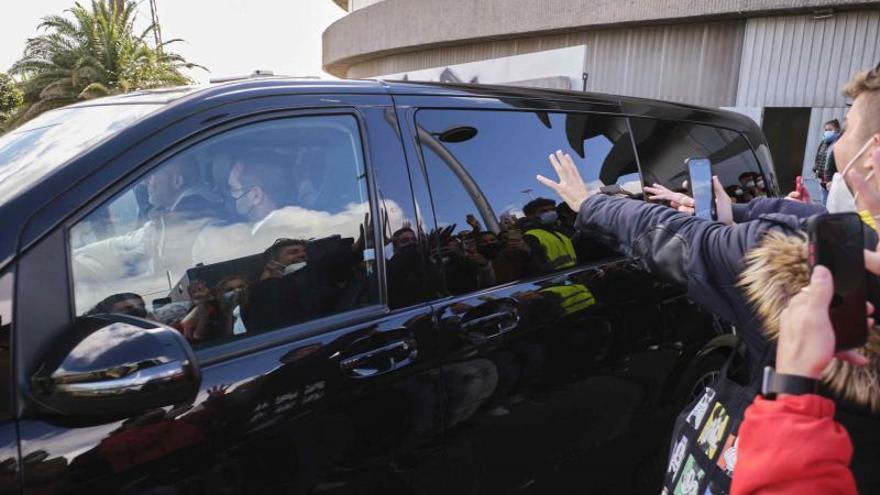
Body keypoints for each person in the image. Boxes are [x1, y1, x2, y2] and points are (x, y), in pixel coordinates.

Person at [537, 63, 880, 491]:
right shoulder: (853, 242)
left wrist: (590, 204)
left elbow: (690, 243)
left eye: (845, 131)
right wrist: (736, 213)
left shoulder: (829, 259)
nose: (835, 146)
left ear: (874, 155)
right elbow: (810, 219)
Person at [521, 198, 578, 274]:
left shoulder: (559, 233)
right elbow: (536, 268)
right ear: (530, 216)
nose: (551, 213)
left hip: (575, 278)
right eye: (544, 211)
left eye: (553, 209)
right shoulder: (530, 237)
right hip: (556, 283)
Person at [814, 119, 842, 184]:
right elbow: (818, 157)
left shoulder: (840, 143)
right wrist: (816, 169)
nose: (827, 132)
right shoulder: (823, 143)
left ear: (837, 130)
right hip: (822, 178)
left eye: (830, 130)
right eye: (826, 130)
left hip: (832, 180)